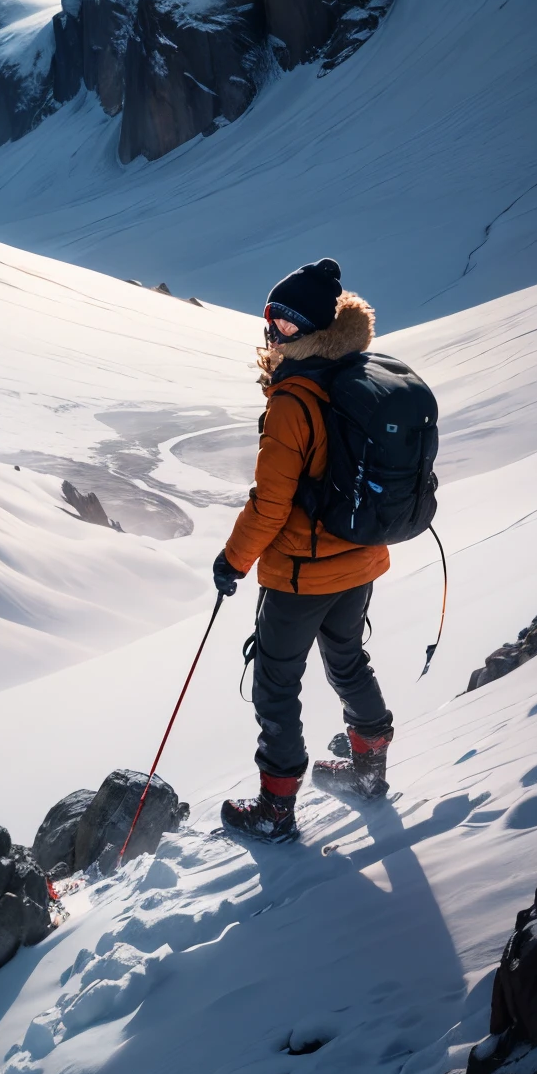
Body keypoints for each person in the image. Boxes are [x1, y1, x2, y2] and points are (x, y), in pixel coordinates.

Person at [212, 257, 395, 842]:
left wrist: (232, 562)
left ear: (311, 328)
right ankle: (369, 768)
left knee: (275, 682)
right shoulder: (352, 372)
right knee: (347, 659)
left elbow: (270, 505)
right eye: (269, 319)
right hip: (360, 556)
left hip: (301, 574)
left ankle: (276, 807)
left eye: (285, 324)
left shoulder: (292, 400)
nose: (272, 331)